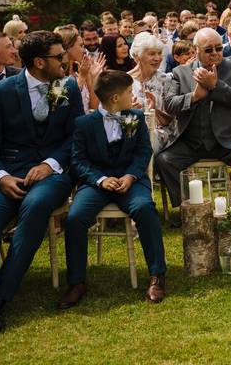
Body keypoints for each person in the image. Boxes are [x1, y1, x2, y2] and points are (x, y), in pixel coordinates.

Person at [0, 31, 83, 348]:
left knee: (36, 206)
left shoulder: (67, 87)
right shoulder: (0, 91)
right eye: (58, 56)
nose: (65, 60)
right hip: (7, 173)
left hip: (51, 175)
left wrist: (51, 163)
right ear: (40, 62)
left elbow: (75, 137)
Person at [58, 71, 166, 309]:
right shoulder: (84, 124)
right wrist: (100, 180)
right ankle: (76, 282)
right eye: (129, 92)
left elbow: (143, 153)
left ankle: (157, 275)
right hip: (96, 183)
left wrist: (130, 175)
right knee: (75, 218)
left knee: (145, 208)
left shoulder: (135, 116)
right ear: (116, 98)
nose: (133, 95)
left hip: (131, 180)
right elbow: (78, 161)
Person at [155, 29, 231, 206]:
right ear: (196, 50)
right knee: (164, 161)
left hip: (228, 139)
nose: (215, 53)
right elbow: (170, 105)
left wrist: (216, 86)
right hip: (191, 142)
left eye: (218, 48)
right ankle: (188, 207)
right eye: (208, 50)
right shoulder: (180, 72)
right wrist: (194, 96)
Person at [129, 33, 174, 151]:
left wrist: (154, 110)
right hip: (130, 131)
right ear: (137, 56)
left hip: (159, 133)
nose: (157, 58)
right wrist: (129, 110)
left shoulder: (167, 80)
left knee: (147, 139)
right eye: (152, 54)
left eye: (159, 53)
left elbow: (171, 121)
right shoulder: (125, 81)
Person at [55, 24, 105, 113]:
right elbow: (62, 107)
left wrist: (93, 77)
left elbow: (93, 107)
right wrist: (82, 78)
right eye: (81, 45)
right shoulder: (56, 76)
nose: (84, 50)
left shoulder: (81, 71)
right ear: (68, 48)